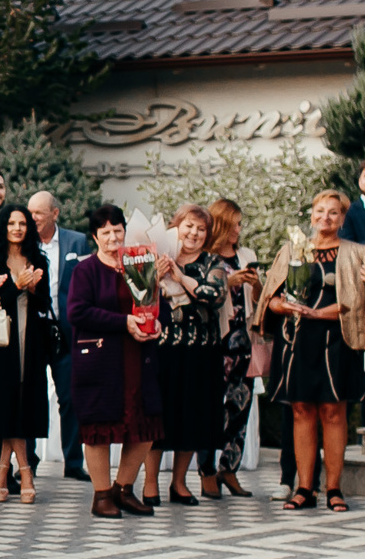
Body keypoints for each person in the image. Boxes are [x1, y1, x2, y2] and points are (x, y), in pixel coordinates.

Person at [262, 190, 365, 512]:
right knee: (300, 410)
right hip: (296, 340)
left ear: (342, 218)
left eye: (334, 212)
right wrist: (281, 305)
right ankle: (304, 487)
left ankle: (334, 488)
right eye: (320, 211)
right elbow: (271, 296)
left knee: (333, 412)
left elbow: (360, 302)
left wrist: (319, 313)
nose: (326, 217)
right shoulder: (292, 248)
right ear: (311, 215)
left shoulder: (357, 252)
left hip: (337, 340)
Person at [66, 203, 162, 518]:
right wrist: (123, 323)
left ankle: (123, 489)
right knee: (99, 428)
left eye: (117, 230)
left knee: (144, 427)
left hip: (138, 358)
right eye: (105, 232)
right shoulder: (86, 270)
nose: (112, 237)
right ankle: (102, 495)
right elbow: (77, 312)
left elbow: (152, 303)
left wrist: (156, 322)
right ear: (95, 237)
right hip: (102, 360)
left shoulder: (138, 264)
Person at [147, 205, 230, 507]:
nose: (194, 233)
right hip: (162, 351)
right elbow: (137, 296)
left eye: (201, 229)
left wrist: (181, 277)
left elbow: (215, 295)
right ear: (176, 227)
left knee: (193, 419)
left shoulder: (213, 262)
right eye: (189, 226)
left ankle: (179, 483)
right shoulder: (156, 256)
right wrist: (152, 278)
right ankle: (150, 482)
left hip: (201, 353)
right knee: (157, 417)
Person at [0, 206, 55, 504]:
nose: (18, 228)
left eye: (23, 223)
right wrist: (16, 287)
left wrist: (33, 289)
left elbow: (45, 303)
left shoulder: (38, 259)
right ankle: (24, 470)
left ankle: (2, 468)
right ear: (3, 227)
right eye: (12, 222)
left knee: (23, 402)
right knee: (6, 402)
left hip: (30, 341)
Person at [199, 198, 264, 497]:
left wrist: (254, 283)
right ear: (222, 224)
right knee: (210, 407)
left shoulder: (246, 254)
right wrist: (229, 281)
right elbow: (203, 298)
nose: (239, 229)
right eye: (235, 223)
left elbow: (260, 299)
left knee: (240, 406)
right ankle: (206, 470)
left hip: (243, 339)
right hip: (215, 340)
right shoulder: (205, 258)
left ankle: (230, 469)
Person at [29, 192, 90, 481]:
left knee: (70, 397)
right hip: (33, 330)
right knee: (32, 395)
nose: (33, 219)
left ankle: (73, 461)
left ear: (55, 214)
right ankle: (28, 460)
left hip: (66, 330)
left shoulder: (76, 241)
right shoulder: (23, 244)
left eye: (39, 213)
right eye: (30, 213)